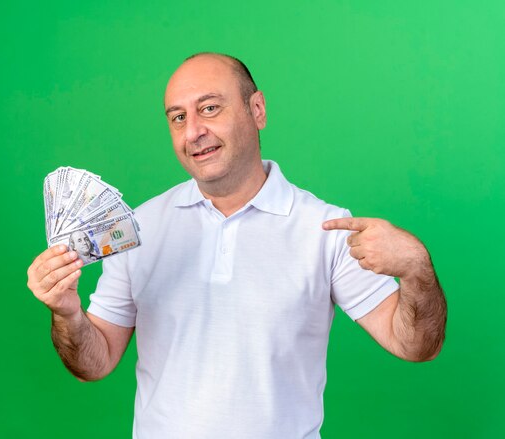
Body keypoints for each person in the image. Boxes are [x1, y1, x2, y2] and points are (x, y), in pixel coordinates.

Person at [27, 53, 447, 438]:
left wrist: (416, 269)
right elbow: (93, 364)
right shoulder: (139, 229)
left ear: (257, 109)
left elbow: (414, 345)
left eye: (210, 108)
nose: (193, 131)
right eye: (177, 117)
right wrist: (67, 313)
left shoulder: (325, 228)